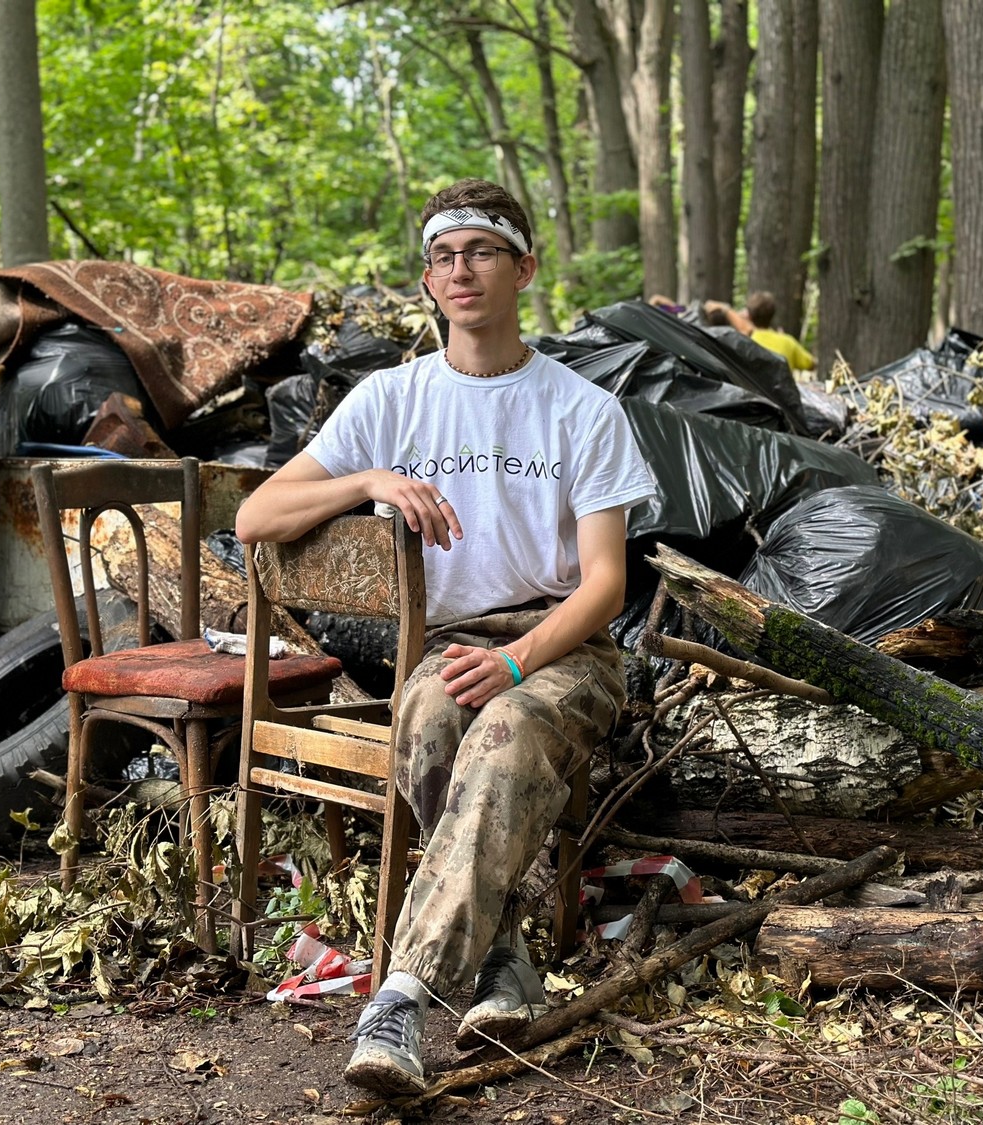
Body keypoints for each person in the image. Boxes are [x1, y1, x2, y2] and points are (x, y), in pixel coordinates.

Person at [234, 178, 657, 1097]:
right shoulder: (392, 400)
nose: (459, 269)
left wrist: (516, 660)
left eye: (481, 251)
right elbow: (258, 515)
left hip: (566, 649)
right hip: (448, 643)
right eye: (442, 256)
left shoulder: (582, 410)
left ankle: (400, 994)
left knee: (501, 737)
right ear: (428, 280)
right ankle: (503, 964)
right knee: (425, 727)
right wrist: (367, 481)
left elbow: (608, 587)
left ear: (525, 269)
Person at [743, 290, 815, 373]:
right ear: (773, 314)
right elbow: (811, 364)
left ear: (749, 316)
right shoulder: (787, 342)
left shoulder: (745, 342)